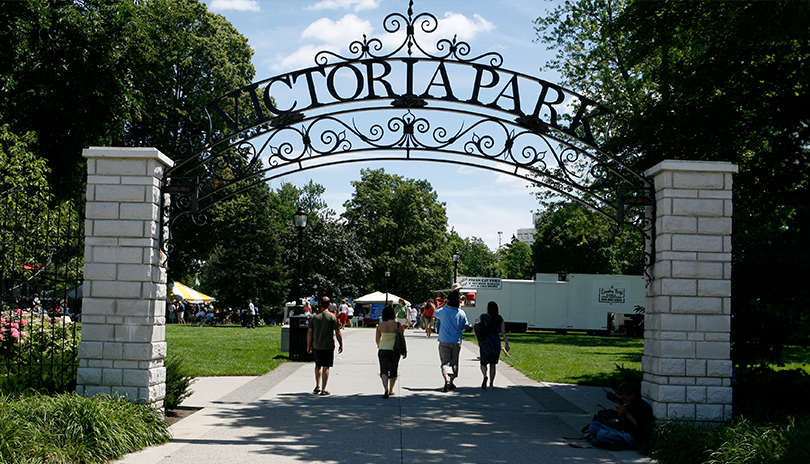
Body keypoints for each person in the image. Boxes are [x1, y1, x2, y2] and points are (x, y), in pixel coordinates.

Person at [588, 382, 655, 450]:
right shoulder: (628, 404)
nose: (624, 401)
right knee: (594, 425)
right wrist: (622, 416)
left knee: (601, 434)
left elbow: (641, 427)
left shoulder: (642, 406)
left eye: (625, 398)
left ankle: (602, 441)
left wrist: (627, 414)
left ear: (632, 394)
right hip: (623, 432)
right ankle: (606, 441)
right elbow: (623, 425)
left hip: (633, 437)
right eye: (622, 399)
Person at [434, 284, 468, 392]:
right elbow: (465, 325)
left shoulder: (443, 311)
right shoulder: (461, 313)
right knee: (454, 362)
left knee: (445, 362)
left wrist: (442, 304)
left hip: (444, 339)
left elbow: (435, 313)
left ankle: (446, 380)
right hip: (456, 340)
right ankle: (452, 381)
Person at [307, 296, 344, 396]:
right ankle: (324, 389)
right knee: (326, 367)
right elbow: (337, 332)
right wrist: (341, 344)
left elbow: (309, 332)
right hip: (328, 345)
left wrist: (308, 345)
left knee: (317, 365)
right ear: (329, 305)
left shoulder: (314, 316)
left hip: (316, 345)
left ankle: (317, 386)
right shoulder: (332, 316)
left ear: (320, 304)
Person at [475, 301, 510, 390]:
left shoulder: (482, 317)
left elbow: (477, 328)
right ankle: (491, 384)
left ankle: (485, 375)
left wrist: (478, 339)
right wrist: (506, 343)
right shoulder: (499, 318)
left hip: (485, 342)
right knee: (493, 364)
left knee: (483, 362)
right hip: (495, 342)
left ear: (488, 308)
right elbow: (503, 332)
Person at [375, 305, 406, 399]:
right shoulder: (397, 325)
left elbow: (377, 338)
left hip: (383, 349)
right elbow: (401, 337)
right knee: (393, 369)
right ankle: (391, 389)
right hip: (395, 350)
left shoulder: (381, 325)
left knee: (383, 370)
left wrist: (379, 346)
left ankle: (385, 388)